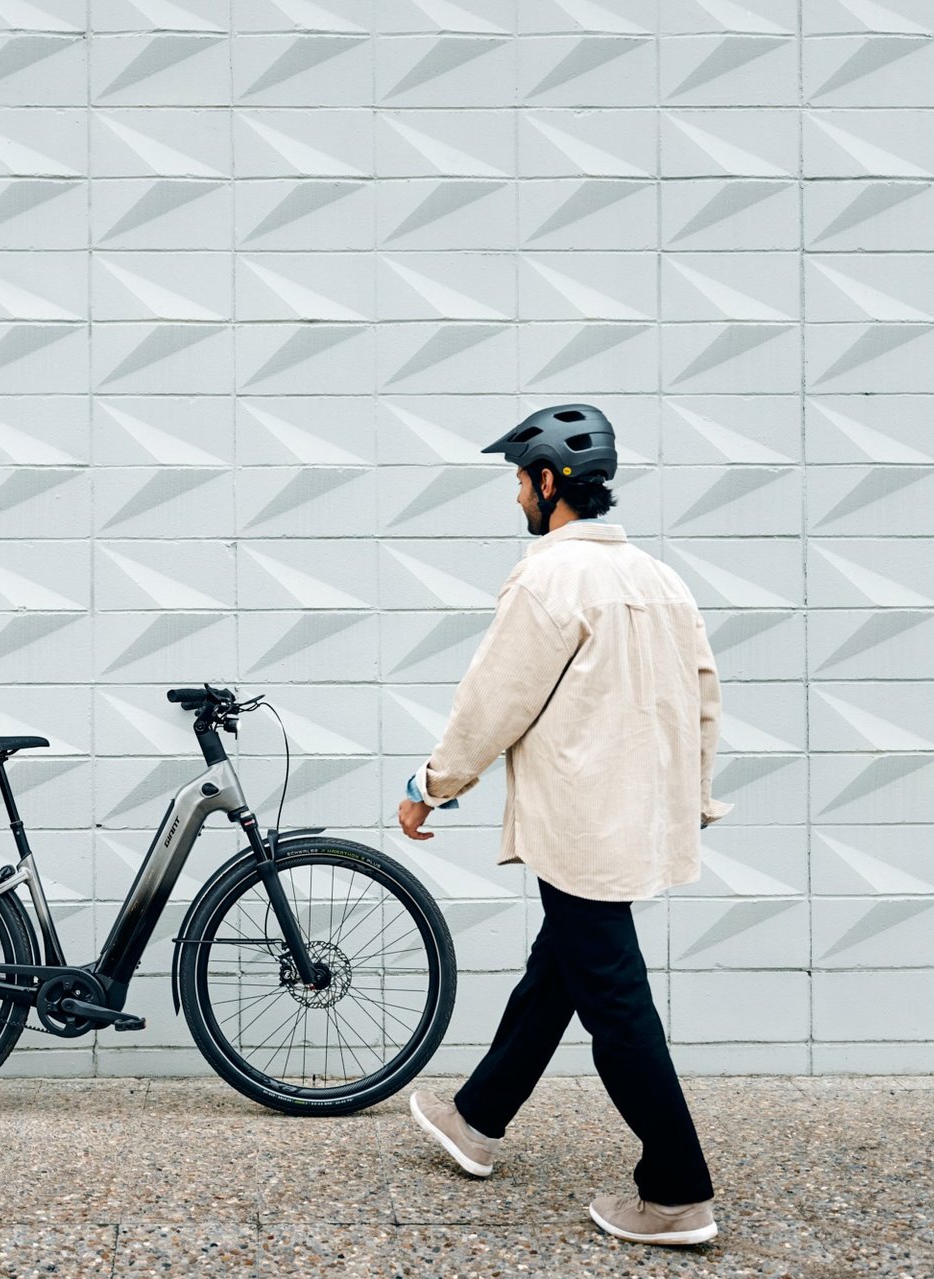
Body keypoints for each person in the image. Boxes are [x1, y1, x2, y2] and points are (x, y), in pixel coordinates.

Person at [397, 404, 734, 1248]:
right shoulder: (660, 578)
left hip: (581, 820)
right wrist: (693, 796)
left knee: (615, 1004)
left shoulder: (547, 578)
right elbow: (703, 694)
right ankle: (477, 1117)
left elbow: (492, 703)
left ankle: (677, 1189)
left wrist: (430, 786)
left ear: (549, 482)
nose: (515, 494)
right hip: (637, 815)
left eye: (519, 478)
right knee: (561, 967)